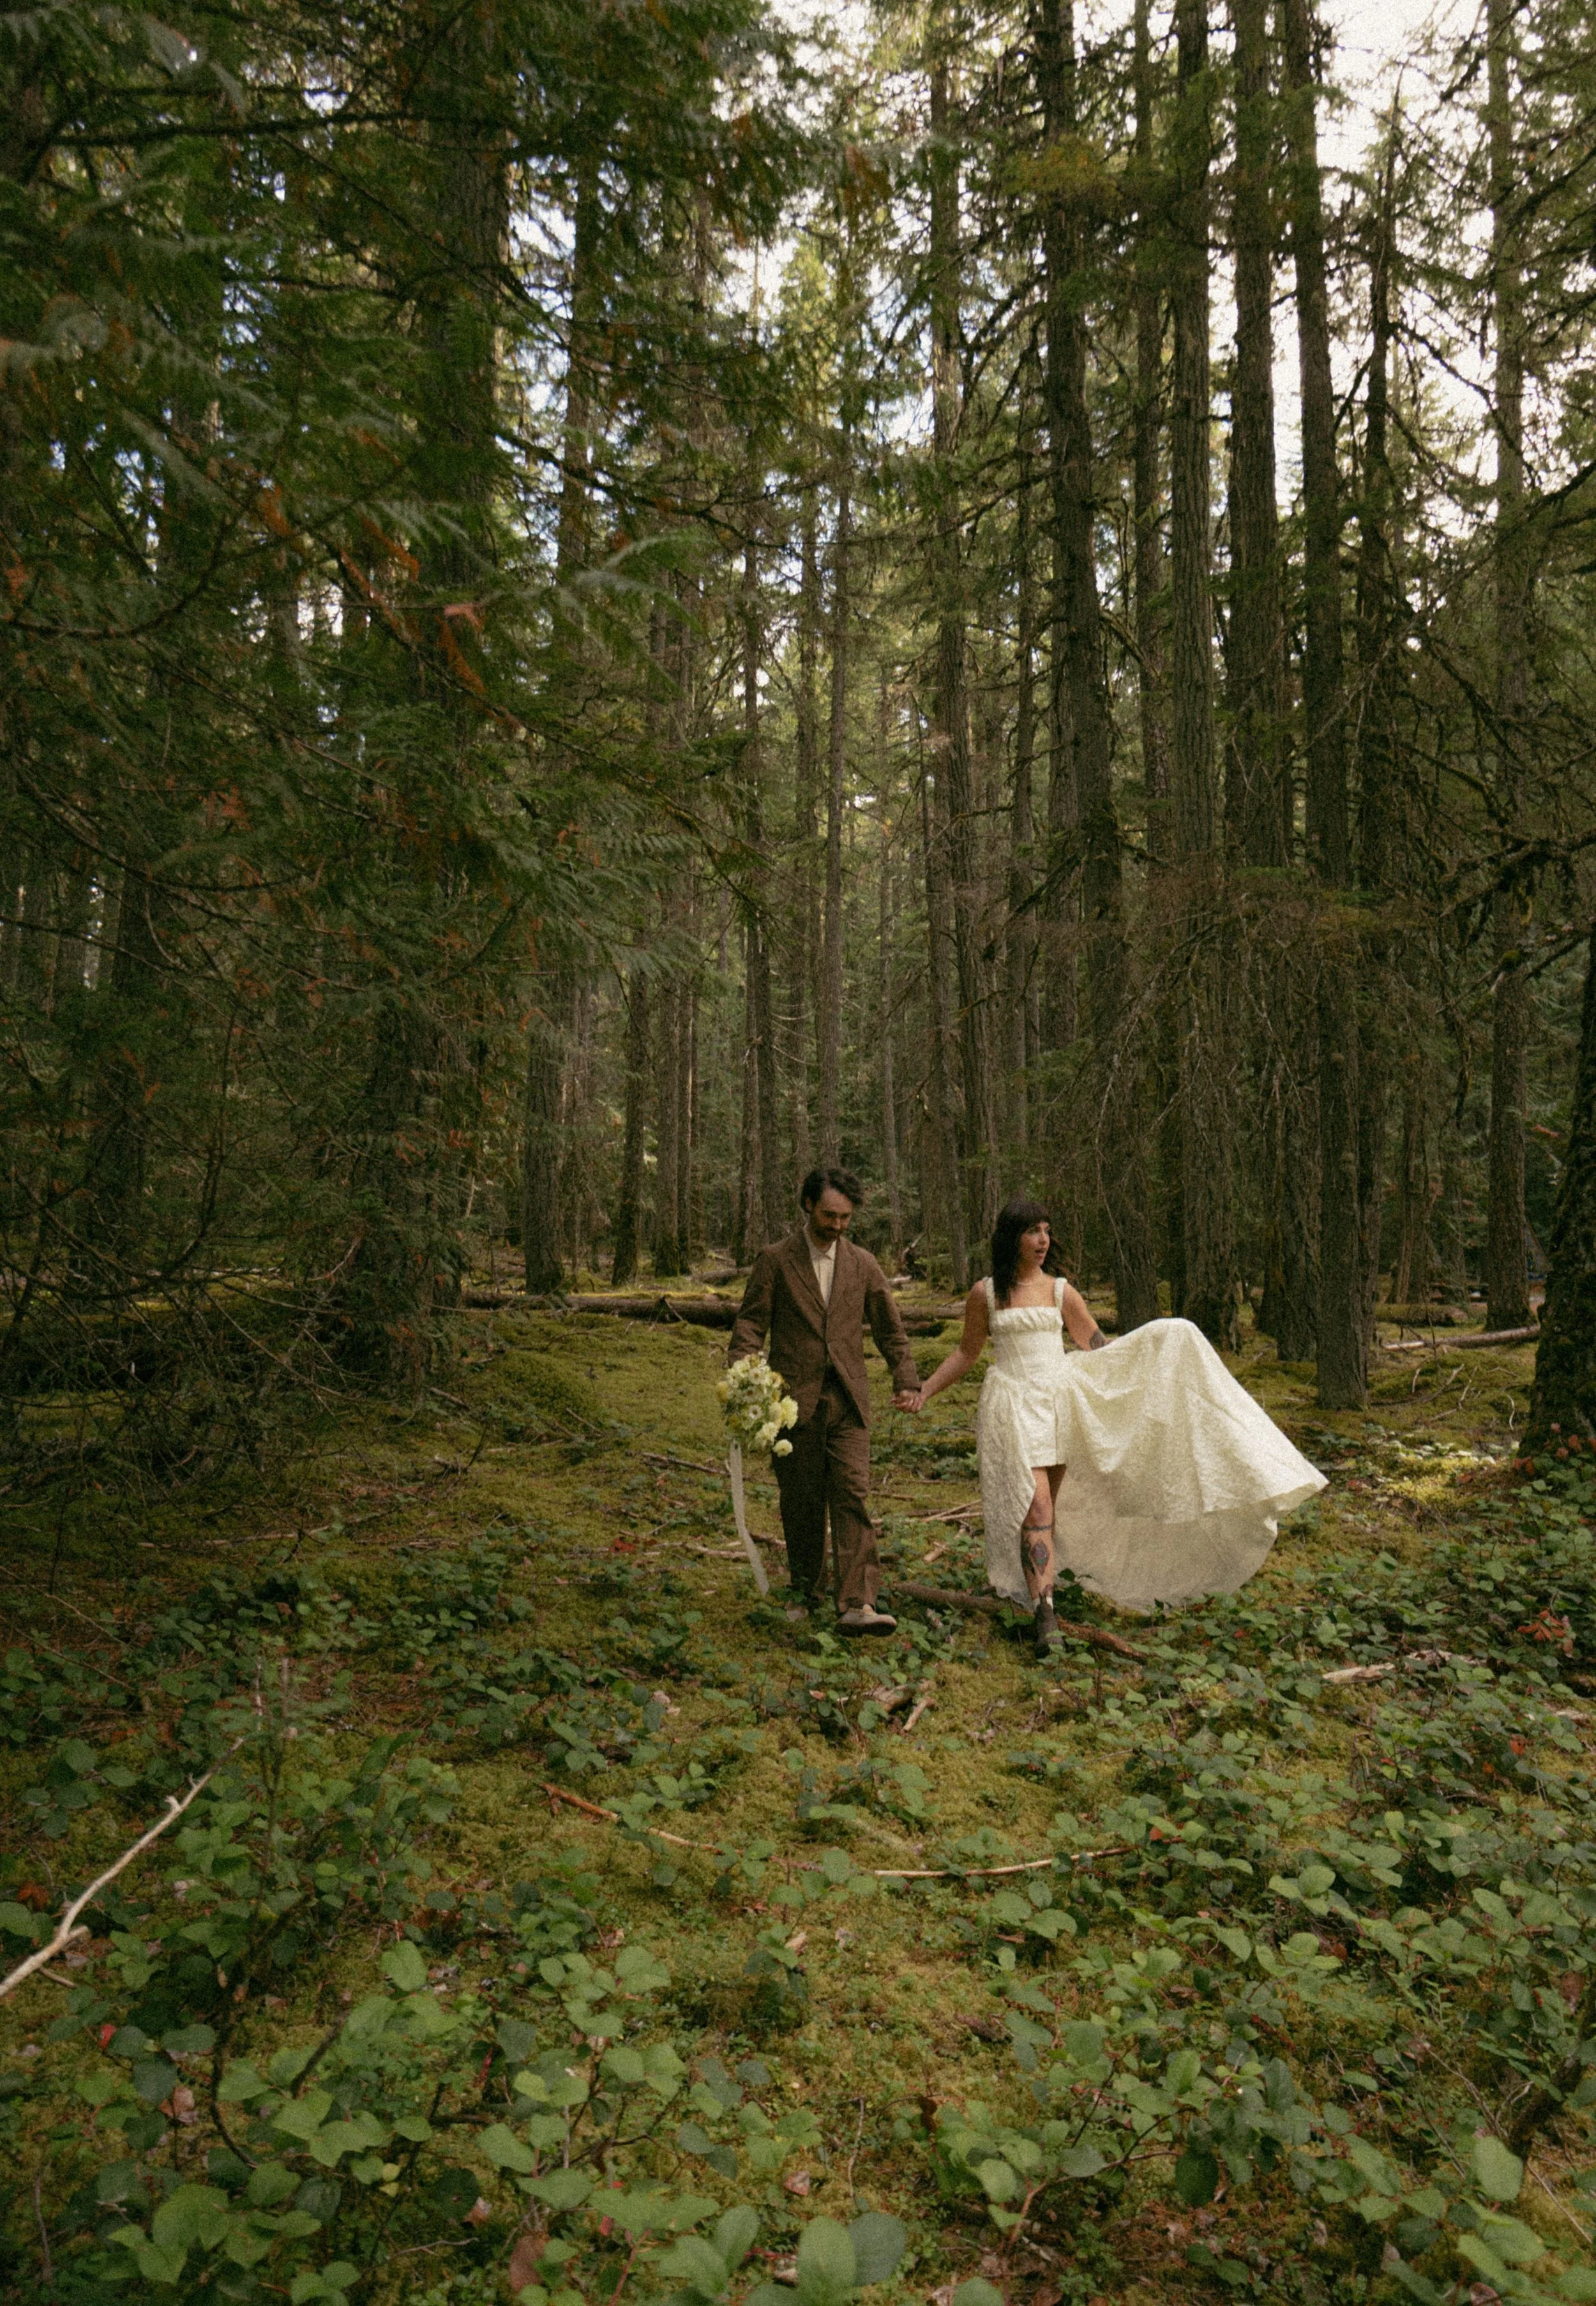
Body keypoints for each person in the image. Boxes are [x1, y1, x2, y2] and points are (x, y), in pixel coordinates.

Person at [910, 1197, 1326, 1655]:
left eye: (1047, 1230)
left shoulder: (1060, 1292)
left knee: (1049, 1511)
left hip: (1059, 1406)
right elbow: (966, 1353)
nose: (1043, 1240)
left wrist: (1155, 1350)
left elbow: (1099, 1347)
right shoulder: (986, 1294)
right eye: (1032, 1232)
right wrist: (925, 1390)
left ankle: (1039, 1588)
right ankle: (1045, 1614)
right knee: (1036, 1506)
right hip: (1012, 1407)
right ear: (1012, 1238)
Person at [729, 1168, 922, 1633]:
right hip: (792, 1402)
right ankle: (805, 1592)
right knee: (801, 1501)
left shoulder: (863, 1264)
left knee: (853, 1493)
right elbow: (751, 1323)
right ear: (808, 1205)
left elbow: (890, 1329)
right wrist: (743, 1375)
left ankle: (858, 1603)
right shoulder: (775, 1260)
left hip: (848, 1401)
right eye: (829, 1216)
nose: (837, 1226)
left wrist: (906, 1379)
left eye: (845, 1218)